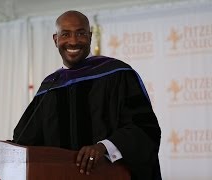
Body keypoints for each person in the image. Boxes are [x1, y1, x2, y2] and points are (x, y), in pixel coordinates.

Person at [13, 10, 162, 180]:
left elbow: (144, 128)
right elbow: (25, 140)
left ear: (90, 37)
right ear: (56, 40)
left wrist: (104, 147)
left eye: (81, 33)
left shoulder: (118, 74)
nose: (73, 41)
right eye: (66, 34)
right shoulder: (50, 87)